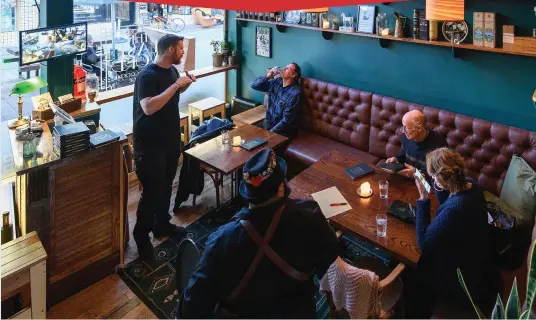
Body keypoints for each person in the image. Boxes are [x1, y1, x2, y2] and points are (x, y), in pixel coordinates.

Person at [176, 148, 339, 318]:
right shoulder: (310, 216)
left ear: (248, 194)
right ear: (281, 188)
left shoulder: (221, 241)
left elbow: (190, 308)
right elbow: (331, 261)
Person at [407, 147, 499, 317]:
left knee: (413, 266)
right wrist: (440, 187)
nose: (433, 179)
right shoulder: (472, 185)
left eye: (434, 176)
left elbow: (424, 244)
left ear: (442, 177)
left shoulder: (454, 210)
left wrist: (423, 199)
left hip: (459, 273)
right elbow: (447, 201)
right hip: (475, 253)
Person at [132, 34, 196, 260]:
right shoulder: (146, 76)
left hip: (170, 140)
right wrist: (177, 84)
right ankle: (141, 236)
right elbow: (149, 107)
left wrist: (183, 84)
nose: (182, 53)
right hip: (149, 146)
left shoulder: (173, 72)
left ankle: (162, 224)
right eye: (180, 49)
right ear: (170, 49)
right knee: (151, 192)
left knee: (167, 185)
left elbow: (171, 96)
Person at [386, 110, 448, 177]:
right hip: (409, 177)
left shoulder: (438, 144)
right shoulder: (407, 136)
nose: (403, 131)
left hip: (426, 184)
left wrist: (416, 173)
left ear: (419, 128)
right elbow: (403, 154)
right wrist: (396, 159)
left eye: (406, 128)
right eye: (403, 127)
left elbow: (437, 176)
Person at [251, 63, 302, 138]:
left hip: (282, 131)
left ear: (293, 75)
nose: (284, 69)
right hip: (267, 123)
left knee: (262, 147)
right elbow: (254, 85)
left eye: (288, 69)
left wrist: (270, 133)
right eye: (285, 67)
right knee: (248, 137)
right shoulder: (276, 82)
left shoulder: (295, 93)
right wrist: (268, 75)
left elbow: (286, 121)